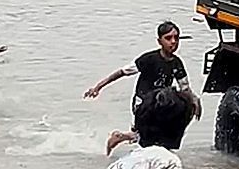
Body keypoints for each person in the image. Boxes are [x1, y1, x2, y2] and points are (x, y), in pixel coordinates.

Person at [84, 21, 201, 149]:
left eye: (176, 38)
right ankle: (126, 138)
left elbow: (185, 89)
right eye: (168, 38)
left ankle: (123, 137)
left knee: (158, 133)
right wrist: (98, 87)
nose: (173, 42)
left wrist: (195, 101)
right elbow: (122, 72)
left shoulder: (177, 64)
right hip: (143, 102)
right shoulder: (149, 59)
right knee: (148, 137)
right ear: (159, 41)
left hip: (160, 104)